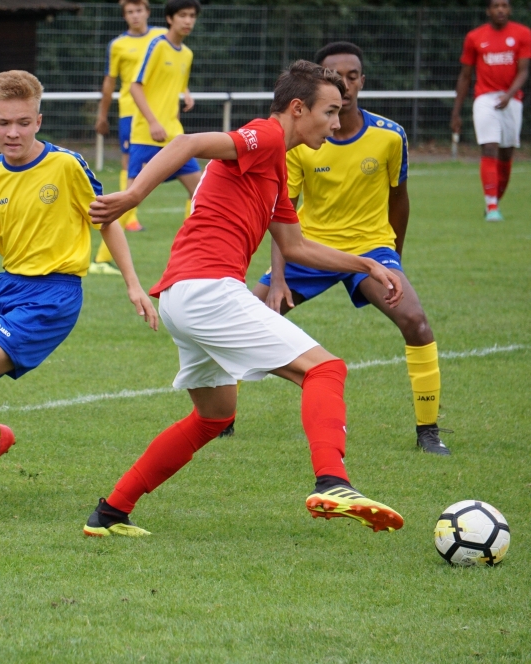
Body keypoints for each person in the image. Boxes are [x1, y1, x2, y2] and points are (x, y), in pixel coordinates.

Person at [83, 61, 406, 538]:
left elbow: (295, 246)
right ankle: (333, 483)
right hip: (208, 291)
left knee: (213, 416)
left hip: (182, 296)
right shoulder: (267, 137)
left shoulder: (275, 170)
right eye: (330, 112)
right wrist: (132, 196)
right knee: (325, 370)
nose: (337, 124)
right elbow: (186, 144)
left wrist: (367, 264)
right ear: (298, 109)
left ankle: (109, 513)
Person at [0, 70, 159, 522]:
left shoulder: (66, 166)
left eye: (23, 122)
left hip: (53, 295)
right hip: (2, 288)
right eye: (3, 123)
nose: (13, 132)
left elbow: (107, 220)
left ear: (38, 121)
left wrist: (133, 283)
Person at [251, 42, 450, 456]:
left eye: (352, 76)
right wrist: (278, 279)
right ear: (318, 83)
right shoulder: (302, 141)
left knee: (416, 322)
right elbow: (281, 211)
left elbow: (400, 200)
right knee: (247, 317)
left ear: (362, 81)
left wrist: (393, 259)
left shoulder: (390, 136)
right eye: (335, 76)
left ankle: (429, 431)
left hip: (370, 250)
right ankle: (222, 418)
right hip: (309, 249)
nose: (345, 83)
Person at [90, 0, 168, 276]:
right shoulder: (118, 45)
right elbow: (110, 82)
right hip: (130, 115)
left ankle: (129, 216)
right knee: (130, 168)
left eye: (139, 10)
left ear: (148, 12)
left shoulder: (161, 37)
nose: (135, 16)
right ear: (125, 16)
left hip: (160, 115)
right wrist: (102, 115)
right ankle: (126, 217)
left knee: (185, 173)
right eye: (130, 12)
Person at [121, 0, 202, 241]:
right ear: (169, 18)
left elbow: (175, 84)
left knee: (201, 193)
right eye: (182, 15)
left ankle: (191, 248)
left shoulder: (187, 54)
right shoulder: (157, 45)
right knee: (128, 200)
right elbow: (135, 86)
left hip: (174, 136)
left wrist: (186, 93)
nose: (188, 21)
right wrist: (153, 122)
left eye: (192, 16)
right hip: (146, 136)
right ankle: (102, 257)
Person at [451, 0, 530, 222]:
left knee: (506, 155)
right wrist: (456, 112)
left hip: (512, 100)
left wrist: (509, 95)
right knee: (489, 147)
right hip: (485, 99)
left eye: (504, 5)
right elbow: (465, 75)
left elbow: (524, 71)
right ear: (488, 10)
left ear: (510, 9)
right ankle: (492, 205)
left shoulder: (523, 34)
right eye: (496, 6)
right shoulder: (475, 37)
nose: (500, 10)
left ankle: (494, 201)